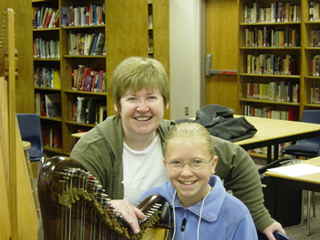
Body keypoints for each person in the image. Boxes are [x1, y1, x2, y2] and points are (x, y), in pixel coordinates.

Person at [70, 56, 285, 240]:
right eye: (132, 98)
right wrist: (105, 209)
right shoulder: (92, 149)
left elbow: (238, 161)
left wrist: (261, 218)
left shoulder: (176, 137)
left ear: (166, 104)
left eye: (152, 98)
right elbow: (68, 211)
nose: (143, 108)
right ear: (117, 105)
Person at [139, 122, 258, 240]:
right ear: (165, 165)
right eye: (176, 163)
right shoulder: (150, 201)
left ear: (213, 164)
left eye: (197, 162)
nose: (186, 173)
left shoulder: (236, 214)